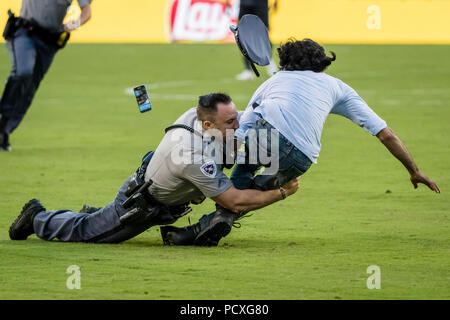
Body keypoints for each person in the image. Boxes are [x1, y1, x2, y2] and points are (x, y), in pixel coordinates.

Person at [164, 38, 440, 246]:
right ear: (320, 63)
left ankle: (217, 213)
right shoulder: (337, 87)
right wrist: (413, 170)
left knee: (243, 175)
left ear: (285, 62)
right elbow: (385, 133)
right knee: (255, 188)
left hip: (268, 134)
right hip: (302, 157)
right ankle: (206, 226)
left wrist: (222, 159)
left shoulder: (276, 79)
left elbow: (243, 124)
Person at [9, 93, 299, 244]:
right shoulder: (191, 155)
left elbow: (244, 130)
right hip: (141, 203)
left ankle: (96, 214)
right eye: (231, 122)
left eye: (236, 117)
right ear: (208, 125)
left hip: (164, 194)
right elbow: (233, 200)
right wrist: (281, 193)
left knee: (98, 222)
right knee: (86, 233)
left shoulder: (200, 117)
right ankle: (36, 217)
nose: (239, 125)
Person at [0, 0, 93, 151]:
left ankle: (5, 129)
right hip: (25, 32)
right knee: (23, 72)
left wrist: (76, 23)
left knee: (30, 88)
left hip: (49, 41)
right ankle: (4, 115)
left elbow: (86, 11)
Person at [235, 0, 278, 81]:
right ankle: (248, 70)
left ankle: (269, 61)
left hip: (260, 3)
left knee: (262, 34)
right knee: (244, 34)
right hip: (245, 3)